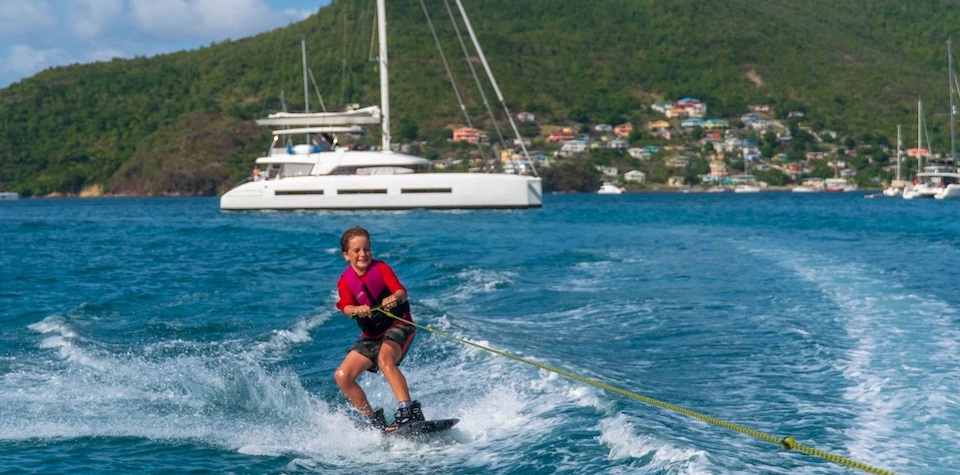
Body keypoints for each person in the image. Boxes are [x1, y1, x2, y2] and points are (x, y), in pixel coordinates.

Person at [333, 226, 425, 431]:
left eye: (366, 249)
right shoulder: (345, 281)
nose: (363, 254)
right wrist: (357, 309)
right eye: (356, 251)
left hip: (399, 325)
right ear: (346, 255)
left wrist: (395, 297)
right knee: (342, 376)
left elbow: (401, 291)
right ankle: (373, 420)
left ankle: (408, 411)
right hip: (372, 335)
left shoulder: (381, 269)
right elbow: (346, 307)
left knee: (385, 359)